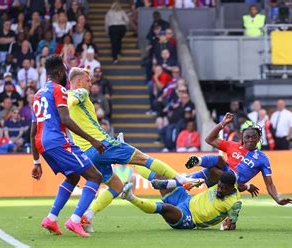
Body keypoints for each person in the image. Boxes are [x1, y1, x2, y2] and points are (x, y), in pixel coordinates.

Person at [65, 68, 203, 233]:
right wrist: (69, 102)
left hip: (87, 152)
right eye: (88, 80)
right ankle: (181, 178)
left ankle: (87, 216)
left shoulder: (65, 100)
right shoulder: (80, 93)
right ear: (79, 81)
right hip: (103, 145)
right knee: (143, 158)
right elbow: (73, 98)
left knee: (116, 186)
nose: (90, 84)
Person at [30, 54, 106, 237]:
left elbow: (32, 131)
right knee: (95, 176)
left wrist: (36, 162)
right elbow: (66, 119)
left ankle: (51, 218)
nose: (66, 74)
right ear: (58, 72)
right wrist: (92, 140)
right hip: (58, 141)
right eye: (64, 70)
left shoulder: (37, 95)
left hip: (42, 143)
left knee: (72, 177)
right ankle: (74, 220)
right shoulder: (59, 90)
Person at [182, 113, 292, 206]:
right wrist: (223, 123)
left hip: (232, 184)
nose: (250, 140)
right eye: (247, 137)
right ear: (242, 138)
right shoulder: (233, 145)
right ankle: (197, 163)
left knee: (213, 170)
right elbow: (209, 139)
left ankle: (197, 181)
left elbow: (269, 184)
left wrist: (277, 199)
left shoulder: (263, 159)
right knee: (216, 162)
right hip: (221, 176)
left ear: (259, 138)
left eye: (254, 137)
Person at [121, 172, 241, 230]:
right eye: (219, 186)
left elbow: (231, 224)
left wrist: (226, 226)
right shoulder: (218, 182)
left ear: (231, 187)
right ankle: (132, 162)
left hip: (190, 218)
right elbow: (204, 177)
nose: (219, 189)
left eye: (223, 188)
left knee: (165, 207)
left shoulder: (234, 203)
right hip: (186, 199)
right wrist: (193, 182)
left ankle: (130, 197)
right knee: (161, 176)